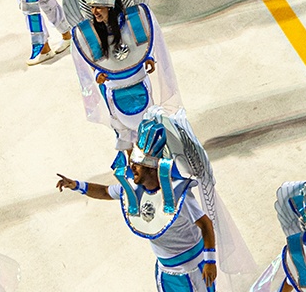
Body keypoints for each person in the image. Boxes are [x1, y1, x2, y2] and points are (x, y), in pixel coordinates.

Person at [56, 113, 253, 292]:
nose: (131, 169)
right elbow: (105, 191)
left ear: (151, 169)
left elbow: (205, 224)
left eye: (136, 166)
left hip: (192, 268)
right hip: (165, 269)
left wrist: (210, 261)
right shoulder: (133, 190)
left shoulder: (179, 194)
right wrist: (77, 185)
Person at [62, 0, 182, 152]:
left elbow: (146, 44)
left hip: (139, 83)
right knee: (122, 131)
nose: (95, 12)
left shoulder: (134, 21)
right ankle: (131, 164)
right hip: (114, 91)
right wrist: (99, 74)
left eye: (99, 7)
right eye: (92, 7)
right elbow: (94, 63)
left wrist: (149, 58)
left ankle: (156, 158)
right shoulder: (88, 34)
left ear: (111, 5)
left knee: (149, 126)